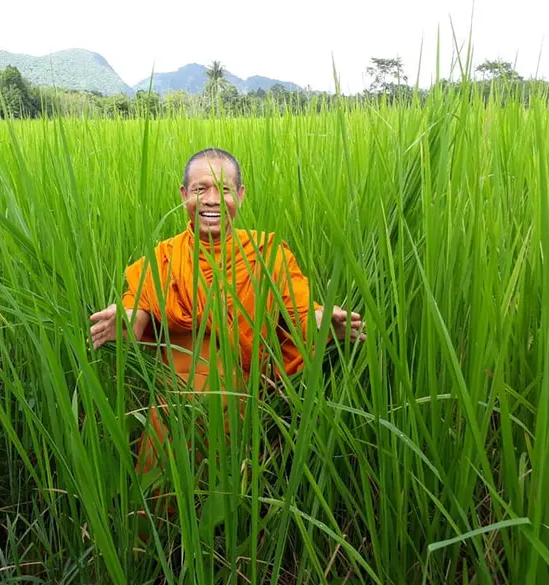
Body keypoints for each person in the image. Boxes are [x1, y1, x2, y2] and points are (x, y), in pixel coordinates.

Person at [89, 148, 364, 472]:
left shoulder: (267, 253)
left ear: (240, 195)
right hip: (171, 410)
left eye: (223, 189)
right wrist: (130, 319)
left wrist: (322, 321)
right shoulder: (165, 256)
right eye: (200, 189)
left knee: (233, 497)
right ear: (184, 195)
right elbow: (140, 303)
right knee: (164, 496)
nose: (211, 200)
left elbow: (299, 309)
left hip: (241, 406)